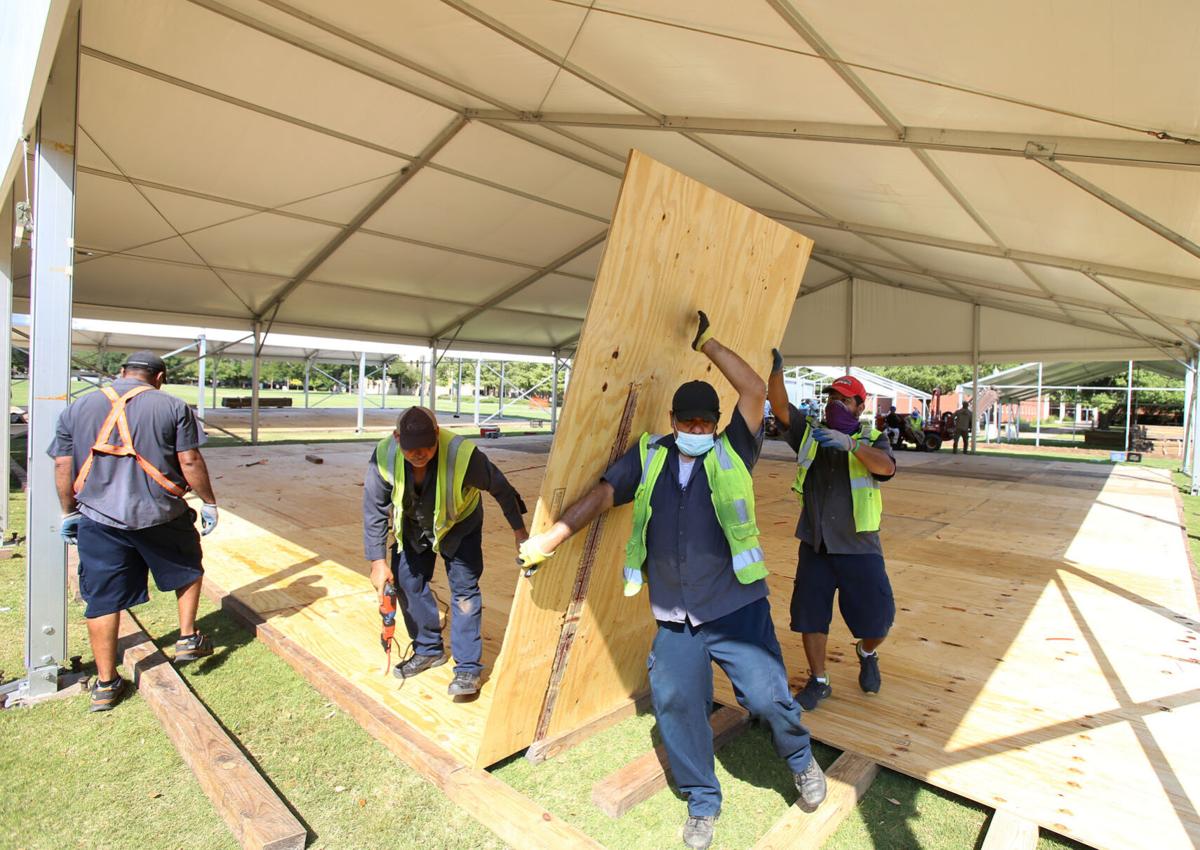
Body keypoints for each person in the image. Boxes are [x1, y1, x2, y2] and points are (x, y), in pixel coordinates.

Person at [519, 314, 826, 850]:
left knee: (768, 697)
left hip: (736, 608)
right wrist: (550, 539)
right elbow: (602, 496)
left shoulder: (735, 450)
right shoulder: (650, 456)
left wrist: (708, 343)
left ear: (716, 424)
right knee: (678, 704)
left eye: (706, 424)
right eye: (689, 424)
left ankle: (800, 761)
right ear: (674, 420)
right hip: (676, 617)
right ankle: (703, 803)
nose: (698, 432)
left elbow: (754, 389)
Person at [49, 350, 219, 712]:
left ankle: (106, 683)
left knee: (103, 597)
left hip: (100, 517)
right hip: (162, 511)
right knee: (188, 568)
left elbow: (63, 463)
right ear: (159, 377)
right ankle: (188, 637)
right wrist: (209, 501)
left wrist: (68, 511)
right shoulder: (173, 407)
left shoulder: (78, 409)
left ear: (121, 372)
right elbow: (189, 460)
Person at [363, 406, 528, 697]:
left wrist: (520, 533)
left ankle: (467, 670)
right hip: (413, 523)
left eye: (427, 446)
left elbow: (502, 489)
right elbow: (374, 509)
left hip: (459, 523)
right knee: (405, 580)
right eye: (412, 448)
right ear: (397, 438)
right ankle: (428, 649)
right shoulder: (384, 457)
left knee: (464, 592)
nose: (420, 454)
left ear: (437, 433)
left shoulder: (464, 456)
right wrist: (377, 560)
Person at [766, 357, 897, 712]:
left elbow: (886, 468)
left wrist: (851, 445)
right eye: (830, 398)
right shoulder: (810, 435)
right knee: (810, 616)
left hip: (860, 547)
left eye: (843, 400)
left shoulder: (873, 438)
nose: (834, 404)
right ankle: (819, 680)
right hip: (816, 545)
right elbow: (779, 407)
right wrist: (776, 371)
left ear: (860, 406)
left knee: (879, 620)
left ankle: (867, 651)